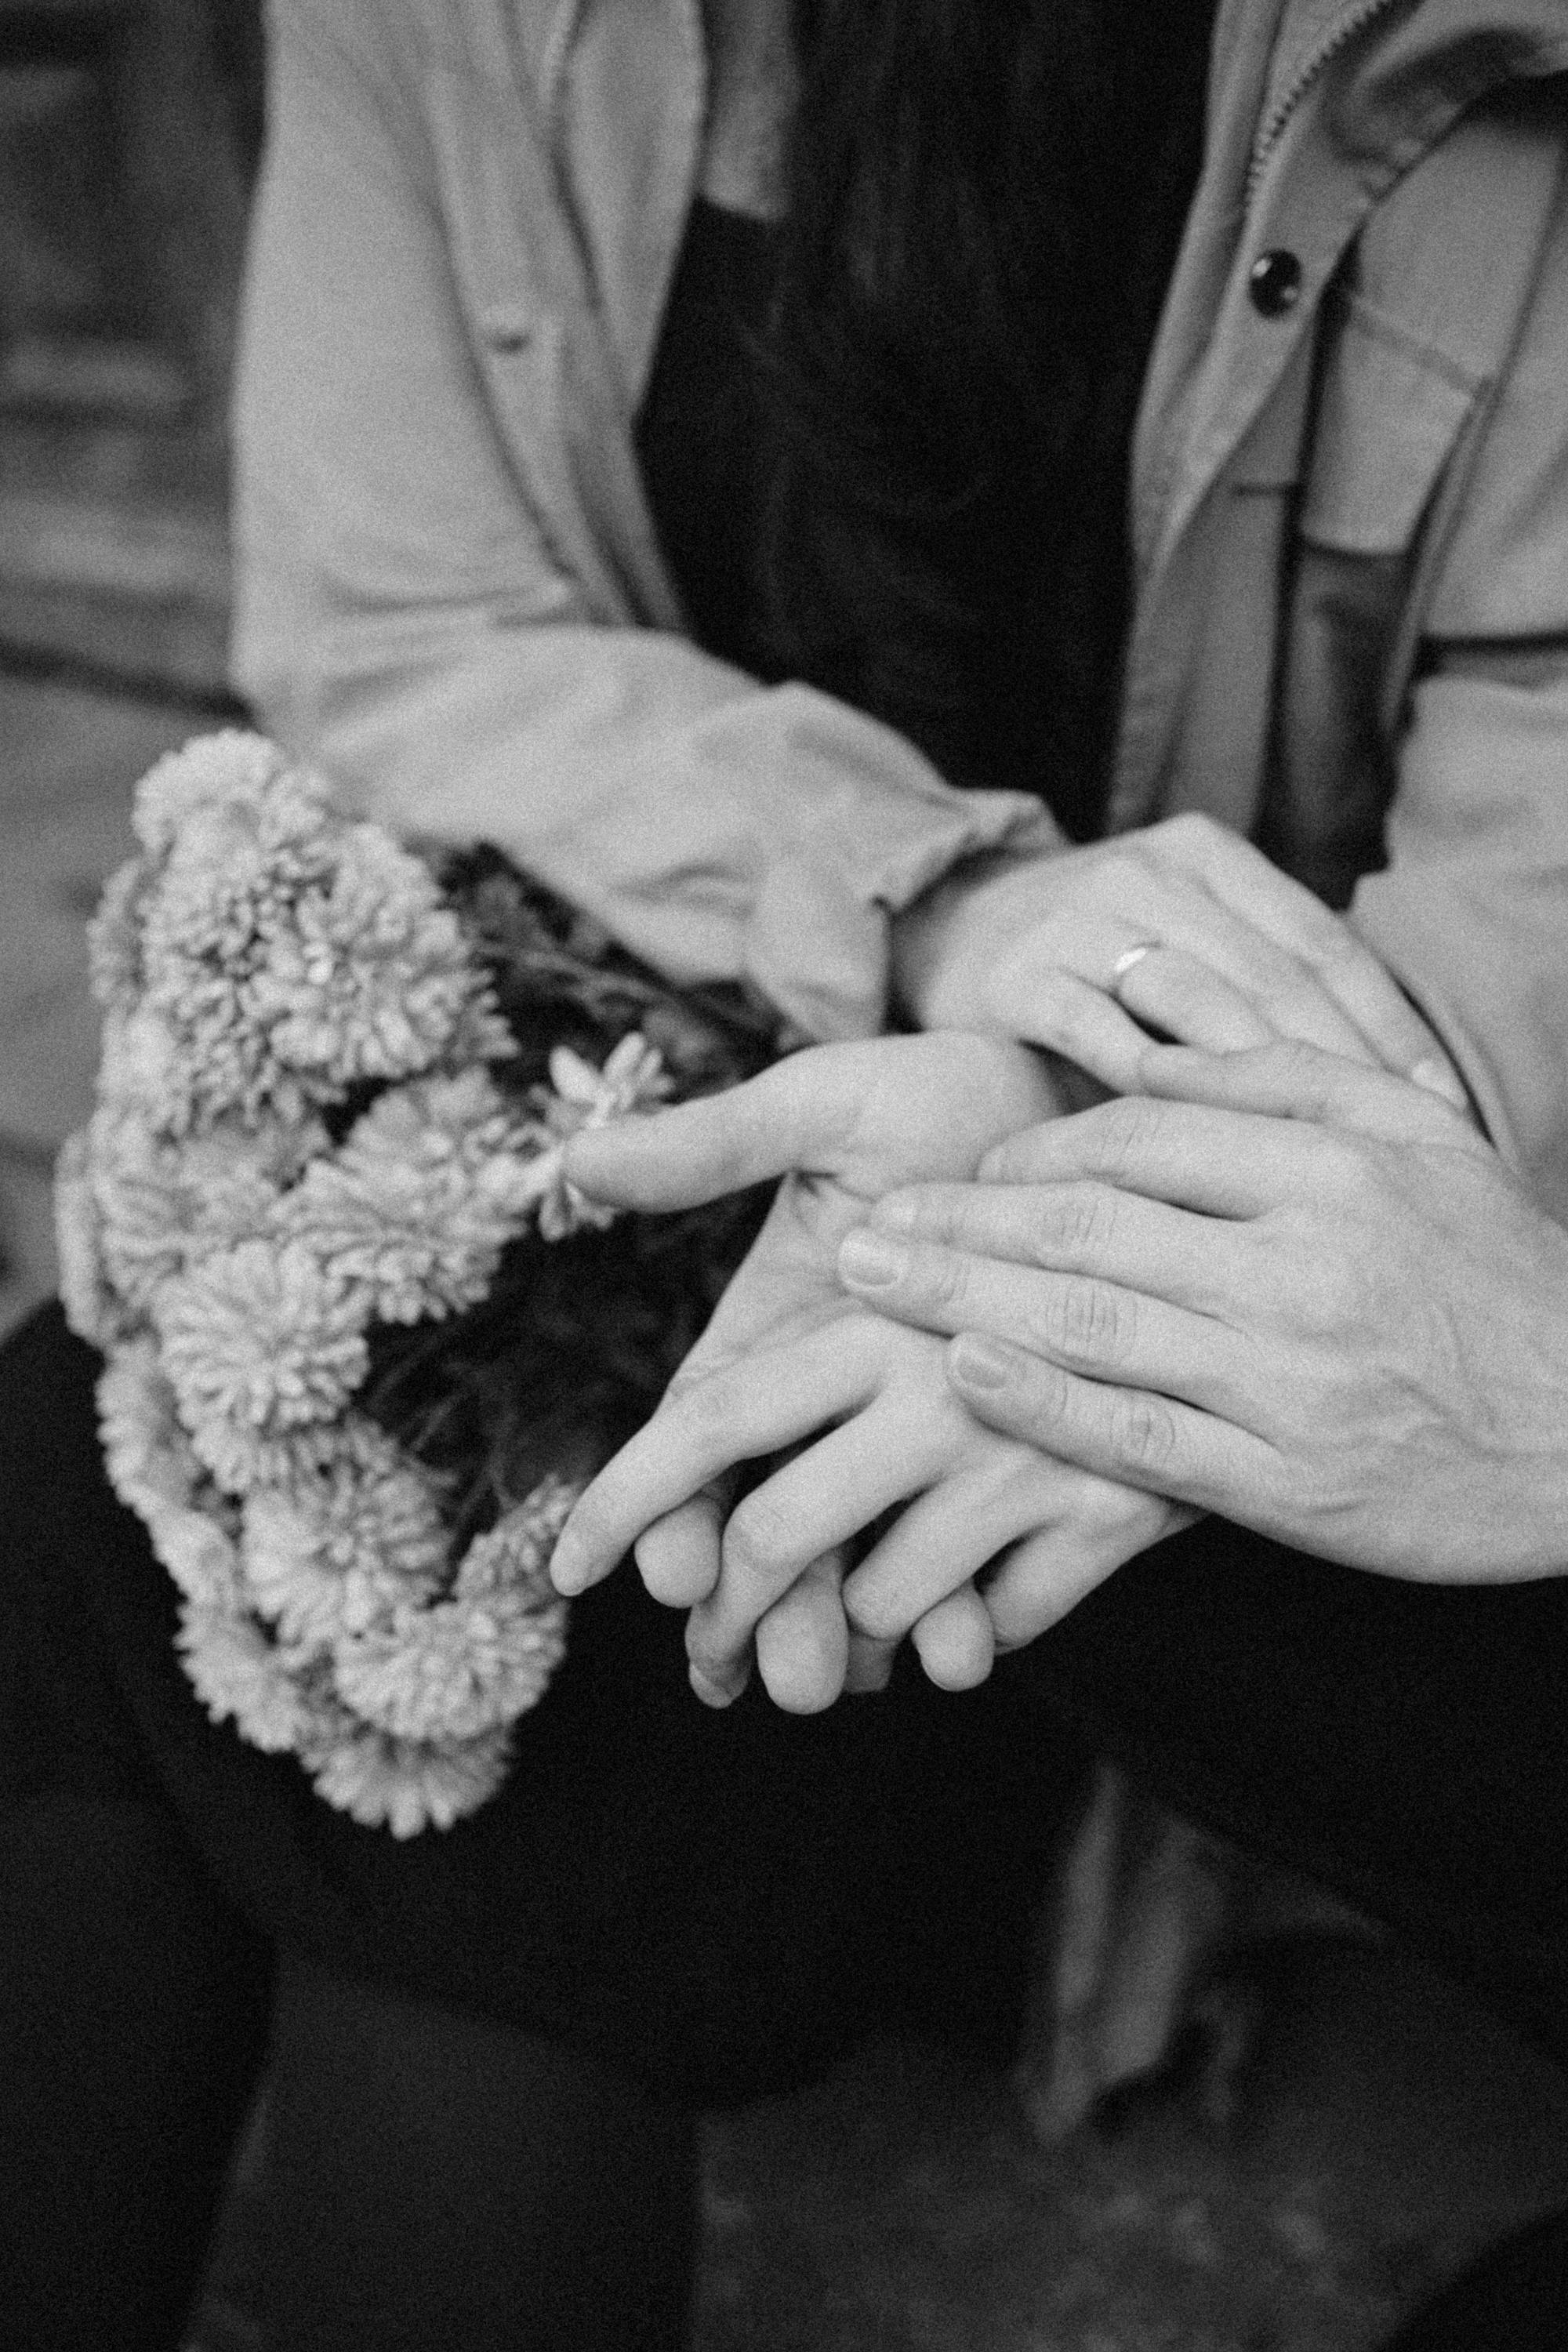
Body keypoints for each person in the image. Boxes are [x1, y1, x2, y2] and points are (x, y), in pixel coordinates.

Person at [2, 0, 1566, 2346]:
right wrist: (933, 894)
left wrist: (1137, 1166)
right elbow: (400, 624)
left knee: (511, 1693)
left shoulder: (1464, 57)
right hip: (666, 1062)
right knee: (103, 1482)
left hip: (1216, 1182)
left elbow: (1539, 801)